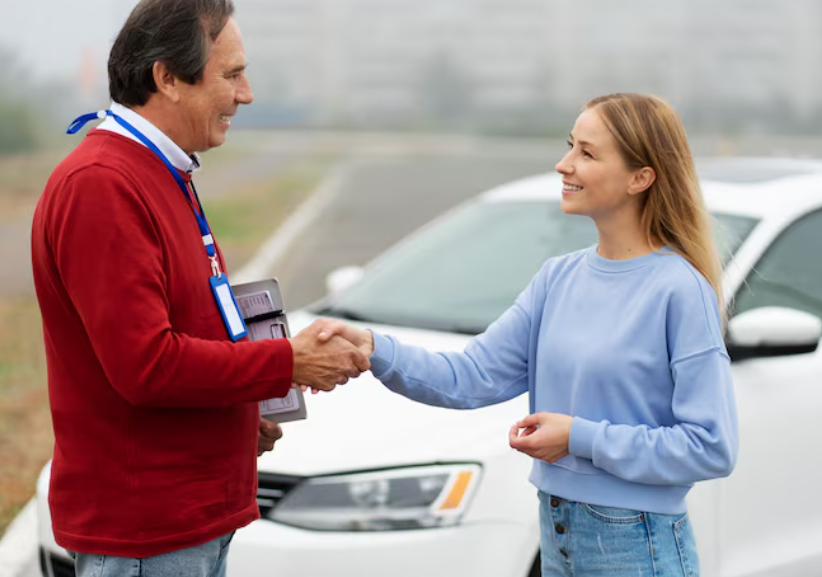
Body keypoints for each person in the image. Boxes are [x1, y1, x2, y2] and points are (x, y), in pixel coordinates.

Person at [315, 93, 738, 576]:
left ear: (641, 178)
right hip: (557, 534)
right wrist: (374, 349)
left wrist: (579, 437)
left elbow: (711, 446)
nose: (564, 165)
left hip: (636, 545)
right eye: (569, 147)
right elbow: (468, 377)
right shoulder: (557, 278)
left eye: (587, 153)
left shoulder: (680, 290)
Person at [30, 0, 368, 575]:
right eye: (232, 74)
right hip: (147, 530)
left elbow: (188, 325)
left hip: (186, 515)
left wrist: (234, 417)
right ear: (168, 78)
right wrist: (285, 362)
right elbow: (147, 365)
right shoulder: (103, 185)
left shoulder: (162, 170)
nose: (247, 94)